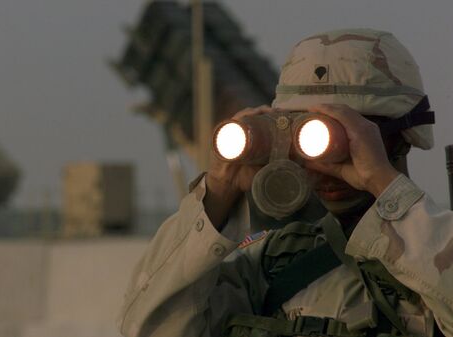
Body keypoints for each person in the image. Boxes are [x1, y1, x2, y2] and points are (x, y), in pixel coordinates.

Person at [117, 28, 452, 337]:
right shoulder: (276, 264)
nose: (326, 162)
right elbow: (148, 328)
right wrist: (220, 190)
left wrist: (382, 182)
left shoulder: (436, 248)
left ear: (402, 136)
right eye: (302, 132)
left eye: (351, 134)